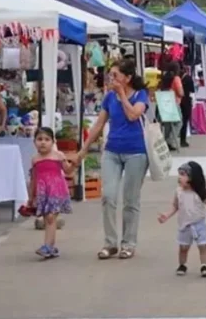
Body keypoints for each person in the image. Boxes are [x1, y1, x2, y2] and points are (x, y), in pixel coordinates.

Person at [78, 58, 149, 260]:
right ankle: (110, 242)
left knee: (130, 200)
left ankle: (128, 243)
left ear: (127, 78)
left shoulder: (140, 95)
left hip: (136, 151)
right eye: (111, 75)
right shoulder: (109, 98)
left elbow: (134, 115)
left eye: (116, 75)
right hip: (112, 150)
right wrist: (84, 149)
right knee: (108, 196)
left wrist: (122, 96)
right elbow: (99, 124)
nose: (111, 78)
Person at [158, 161, 206, 277]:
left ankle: (204, 265)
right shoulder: (178, 191)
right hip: (184, 225)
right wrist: (167, 215)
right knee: (183, 247)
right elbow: (175, 205)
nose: (179, 177)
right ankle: (182, 264)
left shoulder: (200, 192)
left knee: (203, 246)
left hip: (199, 224)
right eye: (179, 174)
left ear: (193, 177)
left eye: (183, 174)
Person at [27, 128, 74, 258]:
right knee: (48, 219)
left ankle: (47, 246)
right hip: (43, 193)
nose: (43, 142)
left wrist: (75, 163)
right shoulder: (35, 159)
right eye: (39, 139)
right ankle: (51, 247)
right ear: (34, 142)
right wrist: (31, 197)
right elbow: (33, 179)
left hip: (57, 191)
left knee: (51, 218)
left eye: (47, 139)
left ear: (53, 142)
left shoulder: (58, 156)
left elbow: (68, 170)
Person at [158, 62, 184, 151]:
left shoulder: (164, 78)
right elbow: (180, 93)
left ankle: (166, 141)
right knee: (179, 122)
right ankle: (170, 140)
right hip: (173, 102)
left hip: (164, 103)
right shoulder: (176, 78)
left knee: (168, 124)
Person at [179, 65, 195, 148]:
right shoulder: (188, 78)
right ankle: (183, 140)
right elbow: (192, 90)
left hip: (177, 101)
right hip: (186, 101)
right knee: (185, 121)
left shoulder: (176, 78)